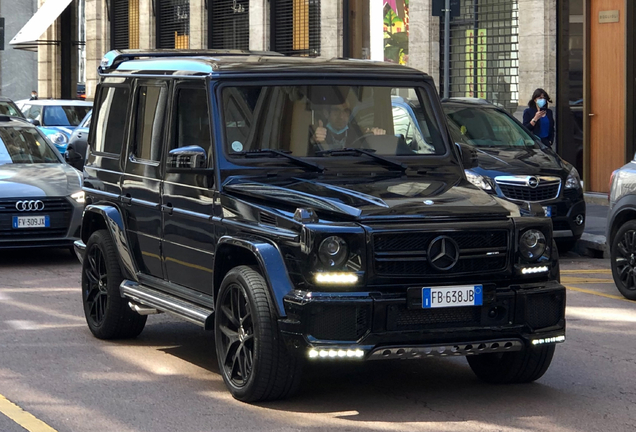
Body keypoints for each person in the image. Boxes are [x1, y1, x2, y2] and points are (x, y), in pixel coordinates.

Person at [311, 101, 386, 151]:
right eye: (336, 111)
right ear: (326, 113)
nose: (341, 116)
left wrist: (376, 135)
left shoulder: (358, 132)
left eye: (346, 111)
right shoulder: (317, 132)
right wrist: (314, 141)